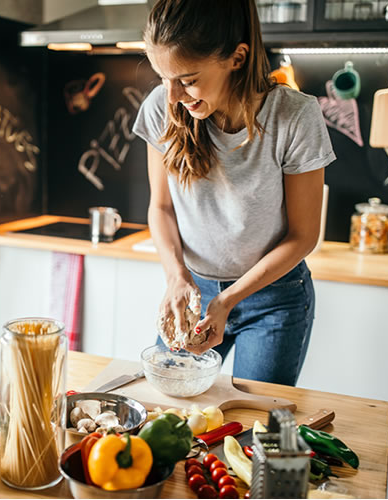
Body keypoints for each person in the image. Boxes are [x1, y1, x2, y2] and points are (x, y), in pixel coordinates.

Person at [132, 0, 335, 386]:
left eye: (188, 79)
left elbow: (303, 236)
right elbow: (161, 207)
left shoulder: (293, 117)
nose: (172, 95)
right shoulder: (162, 108)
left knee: (254, 424)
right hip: (193, 289)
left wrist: (227, 301)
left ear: (237, 58)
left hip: (274, 299)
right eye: (163, 78)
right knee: (169, 406)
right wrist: (176, 277)